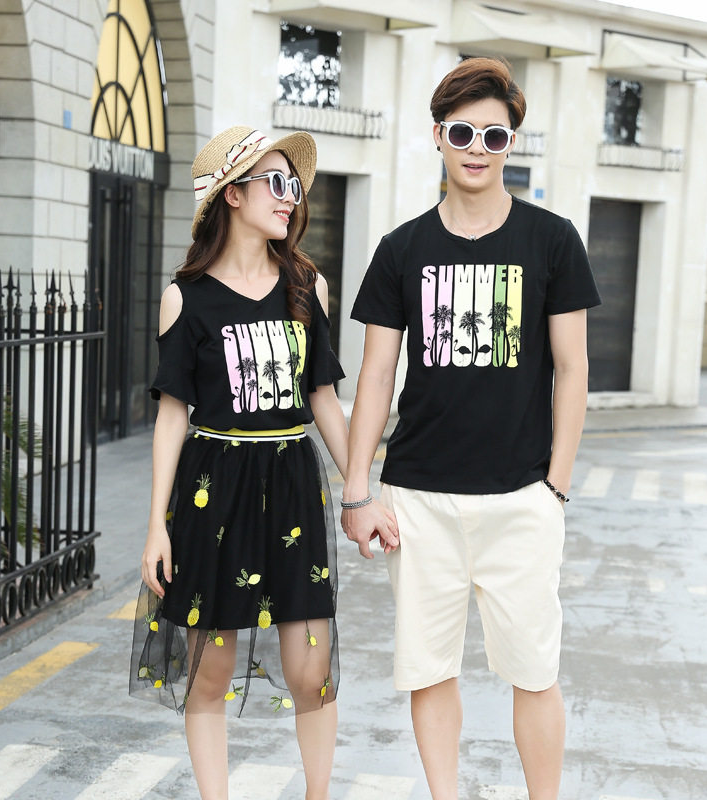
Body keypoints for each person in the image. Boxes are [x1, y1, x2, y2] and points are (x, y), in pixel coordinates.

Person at [342, 58, 601, 800]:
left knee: (535, 671)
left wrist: (556, 486)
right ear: (438, 137)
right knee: (429, 671)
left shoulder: (552, 240)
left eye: (494, 134)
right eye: (462, 132)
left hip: (522, 497)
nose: (477, 148)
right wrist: (358, 489)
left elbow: (573, 369)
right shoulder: (401, 249)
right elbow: (375, 377)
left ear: (512, 142)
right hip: (419, 499)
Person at [129, 125, 351, 800]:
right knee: (211, 671)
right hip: (211, 489)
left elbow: (323, 397)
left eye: (294, 186)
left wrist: (363, 488)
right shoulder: (185, 296)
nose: (291, 197)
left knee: (310, 669)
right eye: (276, 182)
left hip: (292, 483)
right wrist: (156, 525)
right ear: (232, 194)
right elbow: (173, 414)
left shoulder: (308, 287)